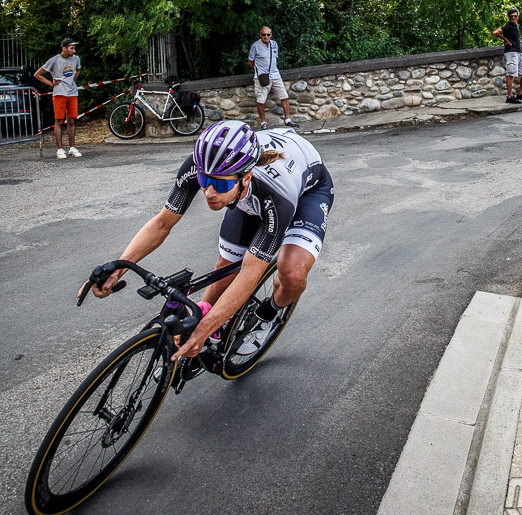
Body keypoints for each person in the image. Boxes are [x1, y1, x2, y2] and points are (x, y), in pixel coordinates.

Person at [86, 121, 334, 360]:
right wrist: (117, 269)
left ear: (245, 177)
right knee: (224, 269)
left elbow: (251, 273)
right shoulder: (204, 165)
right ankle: (202, 325)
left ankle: (268, 314)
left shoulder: (277, 194)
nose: (209, 192)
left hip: (307, 193)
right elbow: (162, 223)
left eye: (217, 183)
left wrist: (202, 332)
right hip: (247, 193)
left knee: (292, 274)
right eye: (205, 181)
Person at [34, 38, 82, 159]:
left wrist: (73, 80)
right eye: (71, 48)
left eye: (74, 48)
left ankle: (72, 147)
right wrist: (51, 84)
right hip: (59, 93)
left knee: (71, 120)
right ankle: (60, 149)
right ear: (64, 48)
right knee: (59, 120)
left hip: (72, 92)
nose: (73, 50)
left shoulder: (76, 58)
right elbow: (38, 74)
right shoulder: (54, 60)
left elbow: (78, 69)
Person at [248, 25, 295, 129]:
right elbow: (250, 61)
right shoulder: (255, 46)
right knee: (261, 100)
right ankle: (263, 122)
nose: (266, 36)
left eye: (268, 34)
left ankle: (287, 120)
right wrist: (259, 72)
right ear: (260, 35)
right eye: (263, 34)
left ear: (271, 35)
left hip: (275, 75)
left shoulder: (274, 44)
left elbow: (274, 58)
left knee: (284, 96)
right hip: (261, 77)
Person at [493, 8, 522, 104]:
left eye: (515, 16)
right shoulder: (508, 26)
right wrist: (505, 39)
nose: (513, 18)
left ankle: (521, 93)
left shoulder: (516, 26)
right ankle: (510, 97)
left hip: (518, 52)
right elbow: (495, 32)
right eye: (511, 16)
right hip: (511, 53)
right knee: (510, 74)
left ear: (517, 17)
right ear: (509, 17)